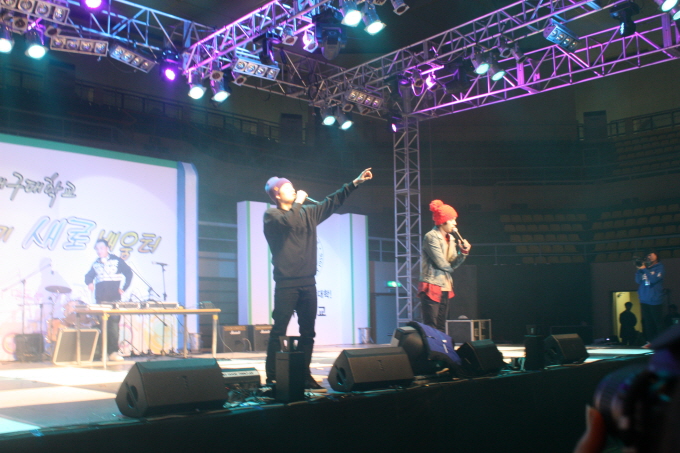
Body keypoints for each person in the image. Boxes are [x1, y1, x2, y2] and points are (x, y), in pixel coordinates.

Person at [263, 168, 373, 391]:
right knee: (279, 330)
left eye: (292, 187)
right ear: (276, 194)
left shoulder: (307, 213)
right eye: (287, 188)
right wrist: (299, 203)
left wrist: (354, 183)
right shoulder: (272, 216)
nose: (293, 190)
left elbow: (331, 203)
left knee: (308, 333)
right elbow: (289, 222)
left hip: (308, 283)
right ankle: (273, 376)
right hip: (286, 284)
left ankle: (304, 375)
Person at [418, 200, 471, 333]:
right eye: (452, 220)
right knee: (431, 324)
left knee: (441, 325)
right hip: (432, 283)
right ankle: (431, 346)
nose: (455, 223)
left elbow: (452, 263)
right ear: (443, 221)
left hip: (445, 284)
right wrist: (450, 269)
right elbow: (441, 263)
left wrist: (463, 252)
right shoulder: (431, 237)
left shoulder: (451, 239)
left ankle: (441, 346)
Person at [84, 238, 133, 361]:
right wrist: (89, 283)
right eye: (97, 249)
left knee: (114, 327)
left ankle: (113, 352)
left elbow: (129, 273)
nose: (99, 251)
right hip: (101, 300)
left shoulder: (117, 261)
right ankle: (104, 353)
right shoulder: (96, 263)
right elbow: (88, 276)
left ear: (107, 248)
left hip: (114, 299)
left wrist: (124, 288)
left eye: (101, 248)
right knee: (103, 327)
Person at [635, 250, 665, 345]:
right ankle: (650, 342)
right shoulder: (645, 269)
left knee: (658, 322)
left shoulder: (659, 267)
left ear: (657, 256)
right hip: (644, 299)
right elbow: (638, 280)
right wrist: (639, 269)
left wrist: (644, 269)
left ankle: (662, 342)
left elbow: (654, 279)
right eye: (648, 255)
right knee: (647, 322)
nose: (649, 256)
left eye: (652, 254)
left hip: (655, 299)